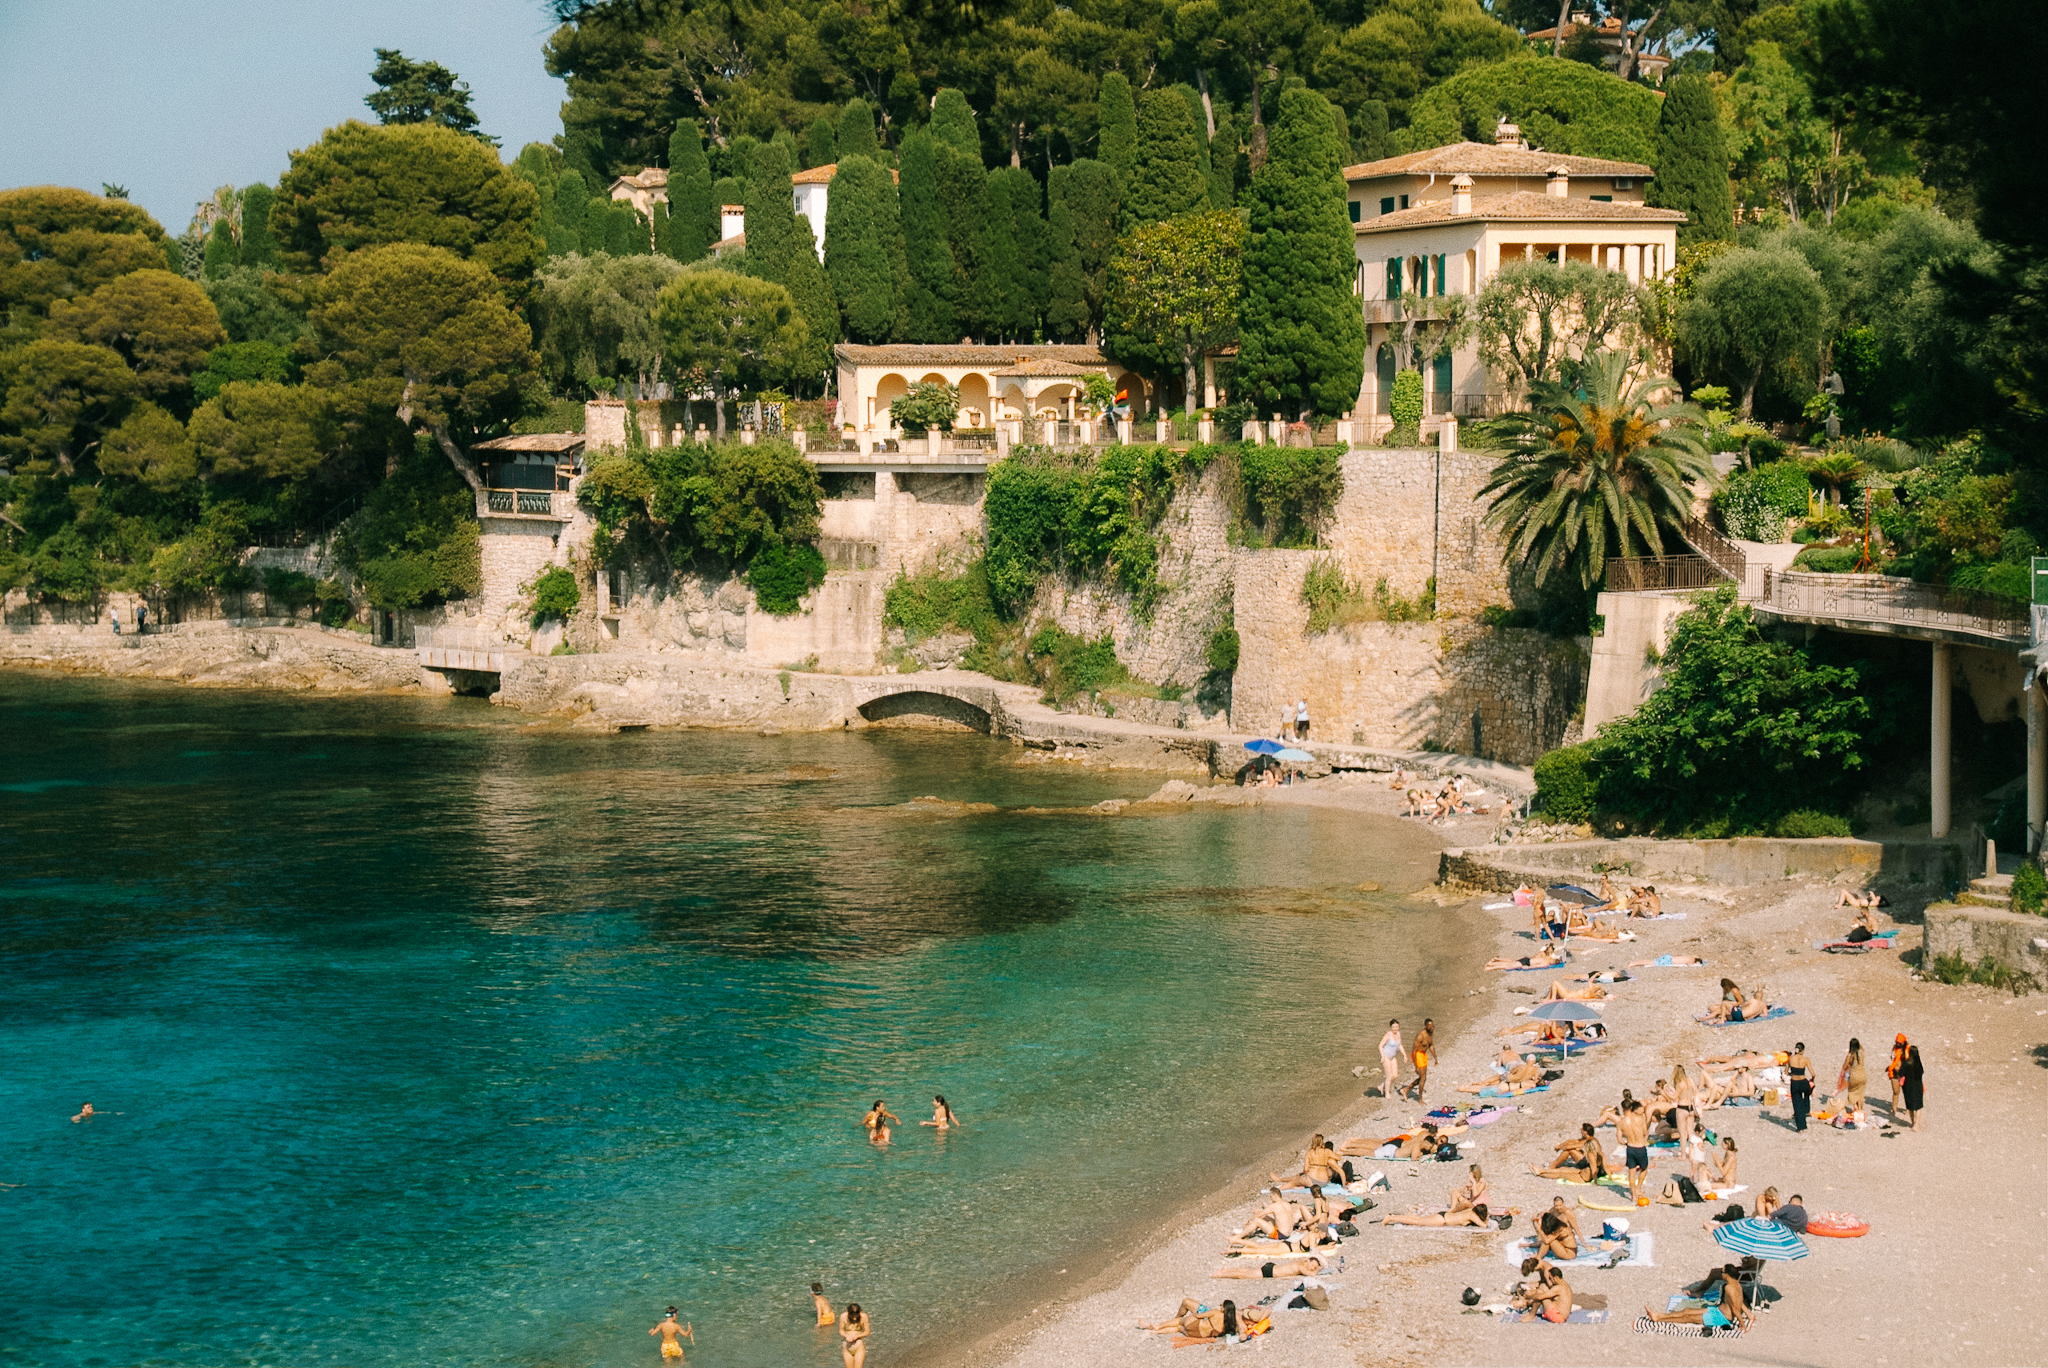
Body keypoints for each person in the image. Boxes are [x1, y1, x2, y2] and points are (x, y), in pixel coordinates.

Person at [1643, 1266, 1748, 1331]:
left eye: (1723, 1272)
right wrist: (1749, 1315)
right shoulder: (1736, 1284)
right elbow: (1740, 1302)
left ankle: (1658, 1318)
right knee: (1687, 1311)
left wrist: (1742, 1325)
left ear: (1726, 1274)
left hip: (1722, 1318)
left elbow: (1735, 1307)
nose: (1721, 1274)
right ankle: (1659, 1315)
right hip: (1717, 1310)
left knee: (1688, 1317)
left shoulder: (1729, 1288)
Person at [1617, 1099, 1651, 1206]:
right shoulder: (1639, 1118)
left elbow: (1619, 1139)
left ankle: (1633, 1195)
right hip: (1640, 1147)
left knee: (1631, 1172)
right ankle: (1638, 1188)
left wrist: (1626, 1142)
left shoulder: (1621, 1122)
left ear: (1623, 1109)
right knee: (1644, 1168)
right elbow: (1645, 1132)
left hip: (1630, 1147)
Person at [1380, 1204, 1495, 1228]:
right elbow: (1483, 1226)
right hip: (1442, 1220)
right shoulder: (1472, 1215)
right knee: (1417, 1221)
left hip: (1443, 1215)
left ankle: (1392, 1216)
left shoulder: (1470, 1210)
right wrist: (1486, 1221)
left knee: (1417, 1219)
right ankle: (1391, 1218)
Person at [1212, 1254, 1325, 1278]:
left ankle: (1226, 1269)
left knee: (1246, 1270)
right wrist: (1319, 1269)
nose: (1312, 1268)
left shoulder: (1300, 1262)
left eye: (1314, 1267)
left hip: (1272, 1267)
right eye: (1313, 1265)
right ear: (1308, 1261)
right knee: (1244, 1275)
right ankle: (1221, 1274)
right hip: (1270, 1272)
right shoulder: (1301, 1266)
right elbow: (1311, 1274)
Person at [1787, 1042, 1814, 1132]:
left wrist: (1792, 1073)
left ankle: (1800, 1128)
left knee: (1797, 1103)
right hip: (1803, 1082)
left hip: (1795, 1082)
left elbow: (1786, 1072)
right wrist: (1812, 1079)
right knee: (1808, 1092)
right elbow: (1813, 1074)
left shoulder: (1790, 1059)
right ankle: (1806, 1110)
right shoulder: (1805, 1059)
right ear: (1802, 1050)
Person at [1837, 1038, 1868, 1120]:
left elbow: (1844, 1066)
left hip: (1854, 1074)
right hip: (1863, 1073)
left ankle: (1855, 1109)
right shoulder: (1862, 1052)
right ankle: (1860, 1110)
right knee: (1860, 1092)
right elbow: (1861, 1047)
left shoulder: (1850, 1055)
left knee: (1852, 1092)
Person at [1486, 944, 1567, 971]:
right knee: (1508, 966)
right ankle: (1491, 967)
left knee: (1510, 962)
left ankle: (1494, 962)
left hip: (1527, 959)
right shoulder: (1547, 962)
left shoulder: (1547, 956)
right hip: (1526, 962)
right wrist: (1527, 968)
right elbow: (1537, 966)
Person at [838, 1304, 871, 1368]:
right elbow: (840, 1331)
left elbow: (867, 1332)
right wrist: (846, 1336)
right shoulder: (843, 1316)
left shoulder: (864, 1316)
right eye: (852, 1316)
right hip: (847, 1346)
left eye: (856, 1315)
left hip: (858, 1346)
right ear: (848, 1313)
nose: (854, 1318)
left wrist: (857, 1336)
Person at [1900, 1043, 1924, 1130]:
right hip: (1918, 1086)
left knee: (1910, 1106)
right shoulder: (1919, 1064)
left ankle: (1913, 1122)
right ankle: (1916, 1125)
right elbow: (1921, 1074)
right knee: (1918, 1106)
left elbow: (1901, 1073)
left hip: (1908, 1087)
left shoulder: (1906, 1063)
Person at [1409, 1019, 1434, 1102]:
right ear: (1425, 1026)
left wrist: (1435, 1057)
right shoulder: (1420, 1035)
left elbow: (1430, 1045)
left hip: (1423, 1055)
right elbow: (1414, 1050)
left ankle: (1406, 1089)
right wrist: (1415, 1066)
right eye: (1430, 1026)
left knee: (1423, 1077)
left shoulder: (1430, 1033)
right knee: (1423, 1077)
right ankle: (1420, 1099)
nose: (1431, 1028)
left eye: (1432, 1026)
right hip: (1418, 1054)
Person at [1377, 1020, 1403, 1098]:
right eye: (1394, 1027)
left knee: (1395, 1075)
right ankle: (1387, 1093)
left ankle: (1382, 1086)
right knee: (1389, 1076)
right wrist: (1382, 1056)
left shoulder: (1398, 1034)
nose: (1395, 1028)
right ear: (1391, 1027)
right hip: (1385, 1056)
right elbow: (1380, 1045)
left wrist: (1404, 1055)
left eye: (1397, 1027)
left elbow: (1400, 1045)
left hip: (1393, 1056)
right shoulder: (1388, 1035)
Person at [1887, 1034, 1910, 1117]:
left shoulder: (1908, 1049)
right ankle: (1894, 1109)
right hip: (1895, 1072)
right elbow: (1892, 1057)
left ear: (1903, 1042)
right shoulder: (1894, 1048)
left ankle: (1908, 1108)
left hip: (1906, 1073)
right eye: (1896, 1042)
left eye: (1899, 1043)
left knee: (1907, 1092)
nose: (1897, 1044)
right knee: (1895, 1092)